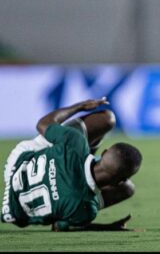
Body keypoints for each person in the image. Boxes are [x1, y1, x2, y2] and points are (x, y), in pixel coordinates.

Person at [2, 97, 142, 231]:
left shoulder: (75, 142)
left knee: (107, 119)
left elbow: (42, 124)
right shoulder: (86, 209)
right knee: (127, 190)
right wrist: (108, 228)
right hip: (13, 212)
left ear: (104, 153)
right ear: (120, 181)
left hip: (17, 165)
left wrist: (80, 106)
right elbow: (60, 227)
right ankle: (63, 206)